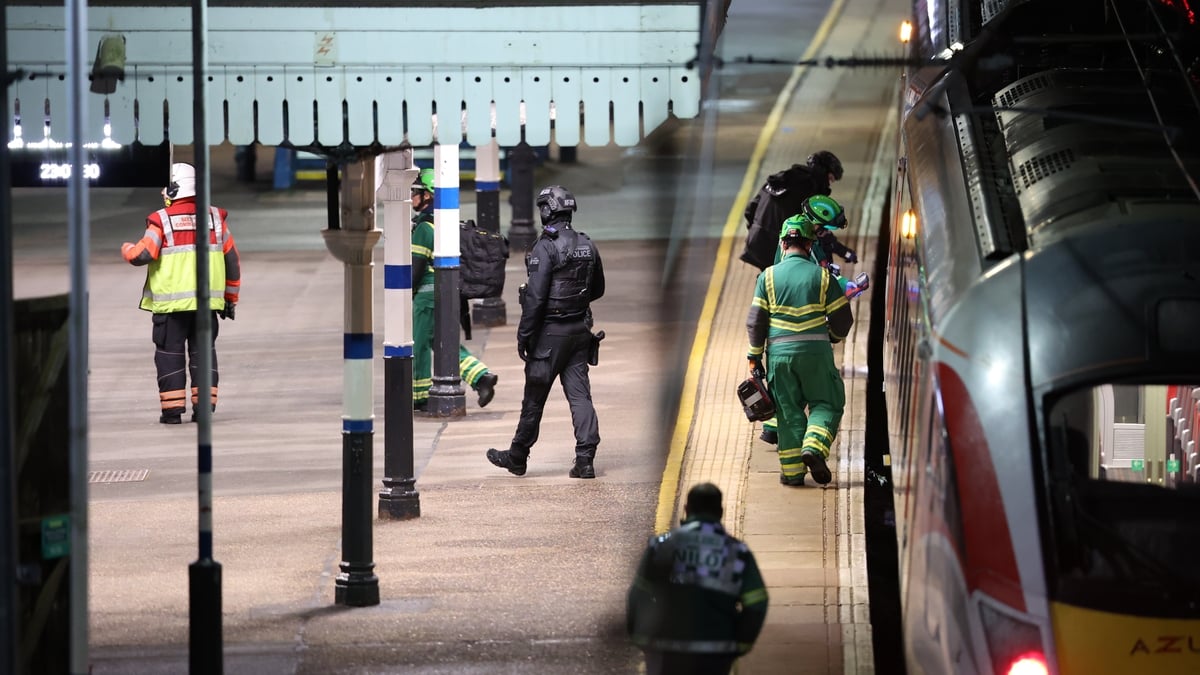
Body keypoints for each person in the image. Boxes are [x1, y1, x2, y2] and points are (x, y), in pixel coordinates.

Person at [485, 185, 605, 479]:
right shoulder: (587, 244)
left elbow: (536, 299)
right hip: (579, 332)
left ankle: (518, 456)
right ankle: (585, 459)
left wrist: (524, 336)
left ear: (547, 211)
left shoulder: (545, 247)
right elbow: (598, 288)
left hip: (550, 336)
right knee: (580, 396)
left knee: (534, 398)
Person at [121, 162, 241, 424]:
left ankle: (173, 412)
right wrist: (230, 299)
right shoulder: (215, 220)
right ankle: (204, 410)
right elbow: (232, 261)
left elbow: (143, 254)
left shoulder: (161, 221)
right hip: (207, 306)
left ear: (174, 189)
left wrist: (126, 248)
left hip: (171, 310)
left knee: (169, 355)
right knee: (203, 354)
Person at [747, 215, 853, 486]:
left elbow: (756, 322)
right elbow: (843, 319)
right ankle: (815, 447)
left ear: (783, 244)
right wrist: (833, 337)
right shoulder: (822, 276)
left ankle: (793, 474)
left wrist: (754, 357)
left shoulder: (767, 277)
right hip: (815, 354)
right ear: (809, 245)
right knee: (827, 402)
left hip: (779, 357)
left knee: (788, 411)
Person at [626, 482, 769, 675]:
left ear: (686, 509)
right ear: (720, 512)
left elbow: (638, 595)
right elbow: (757, 602)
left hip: (666, 648)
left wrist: (641, 638)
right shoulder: (737, 552)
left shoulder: (661, 547)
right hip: (716, 651)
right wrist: (741, 643)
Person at [409, 168, 498, 411]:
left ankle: (420, 397)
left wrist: (402, 292)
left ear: (429, 195)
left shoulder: (424, 228)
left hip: (426, 298)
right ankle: (481, 377)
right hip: (447, 296)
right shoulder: (446, 224)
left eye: (416, 191)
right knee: (444, 342)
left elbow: (415, 271)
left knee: (419, 345)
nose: (412, 196)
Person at [740, 150, 844, 270]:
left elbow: (750, 210)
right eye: (830, 179)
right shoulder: (810, 189)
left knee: (769, 282)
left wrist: (758, 232)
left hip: (757, 243)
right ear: (823, 172)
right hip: (780, 249)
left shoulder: (779, 179)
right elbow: (816, 227)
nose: (829, 184)